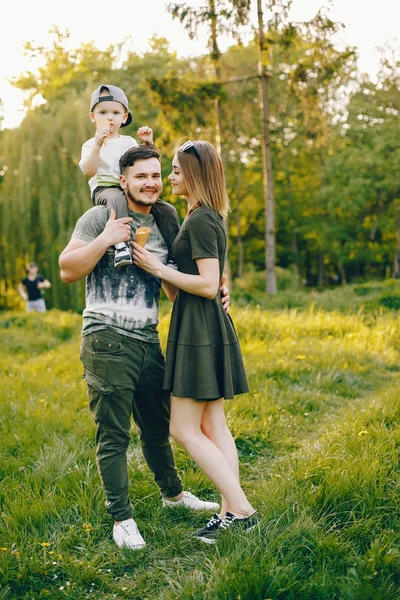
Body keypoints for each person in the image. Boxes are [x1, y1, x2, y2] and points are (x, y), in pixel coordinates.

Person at [59, 144, 230, 551]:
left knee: (159, 426)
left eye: (157, 175)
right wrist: (105, 239)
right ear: (123, 181)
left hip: (148, 339)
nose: (151, 183)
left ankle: (173, 496)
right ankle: (122, 519)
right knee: (113, 434)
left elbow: (173, 283)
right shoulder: (102, 215)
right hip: (105, 338)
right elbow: (67, 269)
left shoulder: (168, 221)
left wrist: (214, 292)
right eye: (141, 177)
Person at [132, 140, 257, 544]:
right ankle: (229, 510)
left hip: (200, 330)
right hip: (202, 324)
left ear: (195, 175)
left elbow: (206, 284)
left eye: (174, 170)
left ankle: (241, 509)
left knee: (183, 429)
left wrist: (153, 264)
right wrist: (164, 272)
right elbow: (206, 280)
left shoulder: (202, 219)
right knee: (213, 423)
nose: (169, 177)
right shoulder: (205, 215)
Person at [79, 83, 153, 267]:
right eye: (102, 113)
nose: (109, 118)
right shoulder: (90, 144)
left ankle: (173, 251)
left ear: (124, 117)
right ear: (93, 117)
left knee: (162, 207)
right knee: (118, 198)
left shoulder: (128, 142)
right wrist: (97, 145)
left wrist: (148, 145)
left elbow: (142, 165)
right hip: (105, 189)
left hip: (128, 188)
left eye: (115, 113)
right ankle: (120, 246)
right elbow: (89, 171)